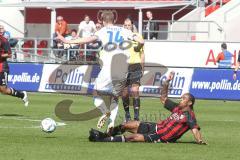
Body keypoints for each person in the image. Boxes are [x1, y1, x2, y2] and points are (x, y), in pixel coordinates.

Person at [57, 11, 144, 131]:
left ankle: (105, 111)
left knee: (96, 94)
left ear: (103, 21)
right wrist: (138, 47)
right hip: (124, 69)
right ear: (114, 20)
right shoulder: (124, 30)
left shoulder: (102, 31)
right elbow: (141, 41)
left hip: (109, 67)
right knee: (114, 97)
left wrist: (69, 42)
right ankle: (111, 123)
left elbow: (87, 40)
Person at [89, 72, 207, 144]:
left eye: (183, 99)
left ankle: (101, 140)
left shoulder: (189, 116)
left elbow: (195, 130)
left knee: (133, 138)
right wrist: (166, 83)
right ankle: (106, 135)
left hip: (162, 137)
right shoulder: (178, 108)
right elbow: (163, 98)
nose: (181, 100)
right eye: (181, 98)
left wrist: (200, 141)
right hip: (156, 127)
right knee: (127, 124)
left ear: (190, 103)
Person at [121, 18, 144, 121]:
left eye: (128, 25)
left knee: (135, 90)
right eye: (125, 25)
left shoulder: (138, 37)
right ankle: (127, 114)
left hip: (136, 66)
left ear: (132, 26)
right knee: (125, 93)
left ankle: (136, 117)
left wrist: (143, 68)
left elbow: (142, 54)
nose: (127, 27)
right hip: (123, 66)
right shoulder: (120, 38)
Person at [0, 30, 29, 107]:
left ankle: (22, 94)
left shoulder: (3, 41)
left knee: (3, 90)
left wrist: (1, 56)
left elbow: (9, 54)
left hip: (2, 67)